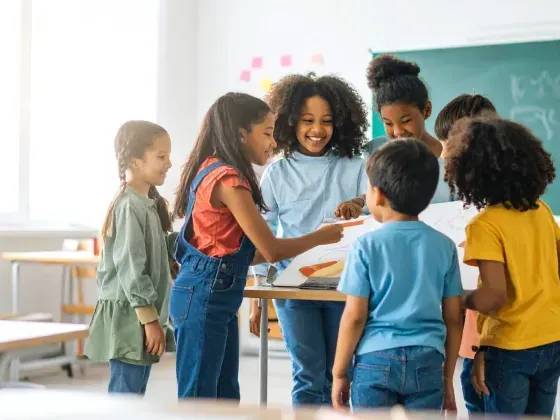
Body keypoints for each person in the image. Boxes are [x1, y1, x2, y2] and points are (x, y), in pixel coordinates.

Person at [170, 92, 344, 401]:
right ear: (241, 134)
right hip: (205, 294)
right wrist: (321, 237)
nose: (273, 142)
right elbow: (272, 250)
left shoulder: (214, 168)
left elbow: (247, 254)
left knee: (223, 397)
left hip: (211, 293)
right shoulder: (229, 180)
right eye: (266, 133)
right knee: (199, 400)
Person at [250, 73, 370, 407]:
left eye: (327, 121)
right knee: (308, 375)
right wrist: (260, 291)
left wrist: (360, 203)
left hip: (344, 284)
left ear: (341, 123)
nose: (317, 130)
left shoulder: (355, 166)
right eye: (307, 121)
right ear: (290, 122)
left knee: (341, 372)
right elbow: (264, 229)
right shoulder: (278, 171)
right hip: (293, 286)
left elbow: (376, 215)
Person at [332, 139, 463, 412]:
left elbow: (355, 316)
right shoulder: (444, 246)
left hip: (374, 359)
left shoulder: (365, 246)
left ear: (377, 194)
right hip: (427, 359)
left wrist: (339, 372)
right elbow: (454, 317)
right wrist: (448, 377)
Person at [445, 115, 560, 417]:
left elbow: (494, 296)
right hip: (552, 339)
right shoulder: (542, 210)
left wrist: (461, 298)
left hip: (511, 347)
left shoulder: (485, 225)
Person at [85, 120, 176, 395]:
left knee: (134, 395)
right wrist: (149, 321)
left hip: (139, 314)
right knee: (126, 397)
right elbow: (131, 268)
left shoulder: (147, 204)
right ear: (135, 160)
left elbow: (152, 252)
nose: (169, 164)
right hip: (131, 316)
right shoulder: (127, 206)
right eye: (161, 157)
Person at [434, 93, 497, 416]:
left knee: (483, 393)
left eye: (448, 144)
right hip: (477, 335)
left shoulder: (496, 206)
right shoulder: (472, 195)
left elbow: (496, 289)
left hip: (492, 335)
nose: (443, 154)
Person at [364, 54, 451, 203]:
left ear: (427, 110)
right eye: (388, 123)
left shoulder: (448, 163)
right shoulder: (373, 151)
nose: (397, 132)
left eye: (406, 120)